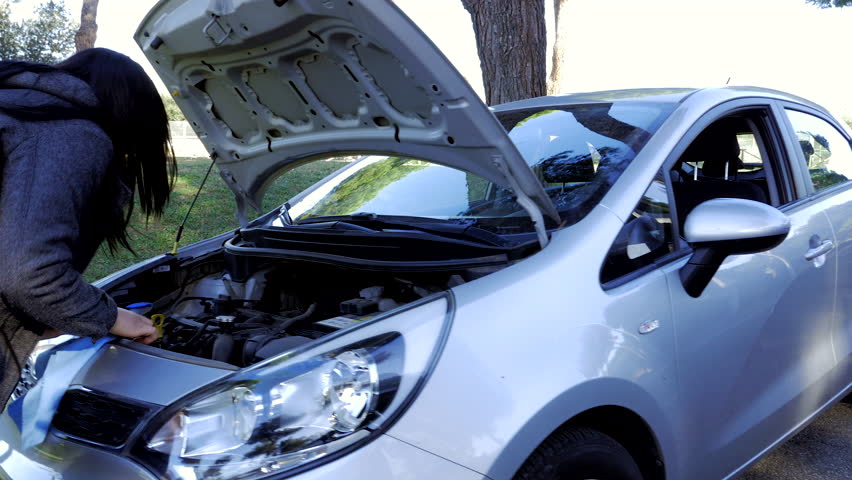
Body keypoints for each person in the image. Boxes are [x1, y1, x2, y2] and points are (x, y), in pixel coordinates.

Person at [0, 48, 176, 409]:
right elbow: (30, 275)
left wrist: (45, 318)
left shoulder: (18, 111)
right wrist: (112, 317)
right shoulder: (71, 133)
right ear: (133, 114)